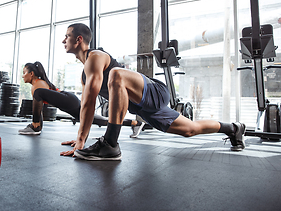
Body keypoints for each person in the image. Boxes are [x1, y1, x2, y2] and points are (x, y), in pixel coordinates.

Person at [60, 23, 246, 160]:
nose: (63, 40)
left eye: (66, 36)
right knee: (190, 129)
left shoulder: (96, 57)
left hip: (154, 92)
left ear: (79, 39)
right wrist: (80, 140)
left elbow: (90, 101)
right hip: (143, 108)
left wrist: (81, 141)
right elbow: (87, 106)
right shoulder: (84, 76)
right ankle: (234, 129)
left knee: (116, 74)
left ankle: (110, 144)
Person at [18, 61, 142, 135]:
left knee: (38, 93)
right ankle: (135, 123)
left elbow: (38, 105)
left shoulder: (37, 86)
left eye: (24, 72)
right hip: (70, 102)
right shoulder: (38, 86)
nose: (23, 76)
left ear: (31, 74)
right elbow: (38, 109)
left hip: (68, 100)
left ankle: (34, 126)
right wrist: (39, 126)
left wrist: (36, 126)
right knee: (102, 121)